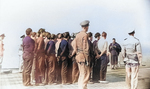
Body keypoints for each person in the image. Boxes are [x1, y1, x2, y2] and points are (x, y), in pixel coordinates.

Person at [71, 20, 90, 89]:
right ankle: (83, 87)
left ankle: (80, 86)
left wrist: (76, 51)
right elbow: (85, 47)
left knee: (81, 73)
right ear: (86, 27)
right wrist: (87, 57)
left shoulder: (77, 35)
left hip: (78, 55)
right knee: (85, 73)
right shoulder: (85, 35)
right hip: (83, 56)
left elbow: (73, 44)